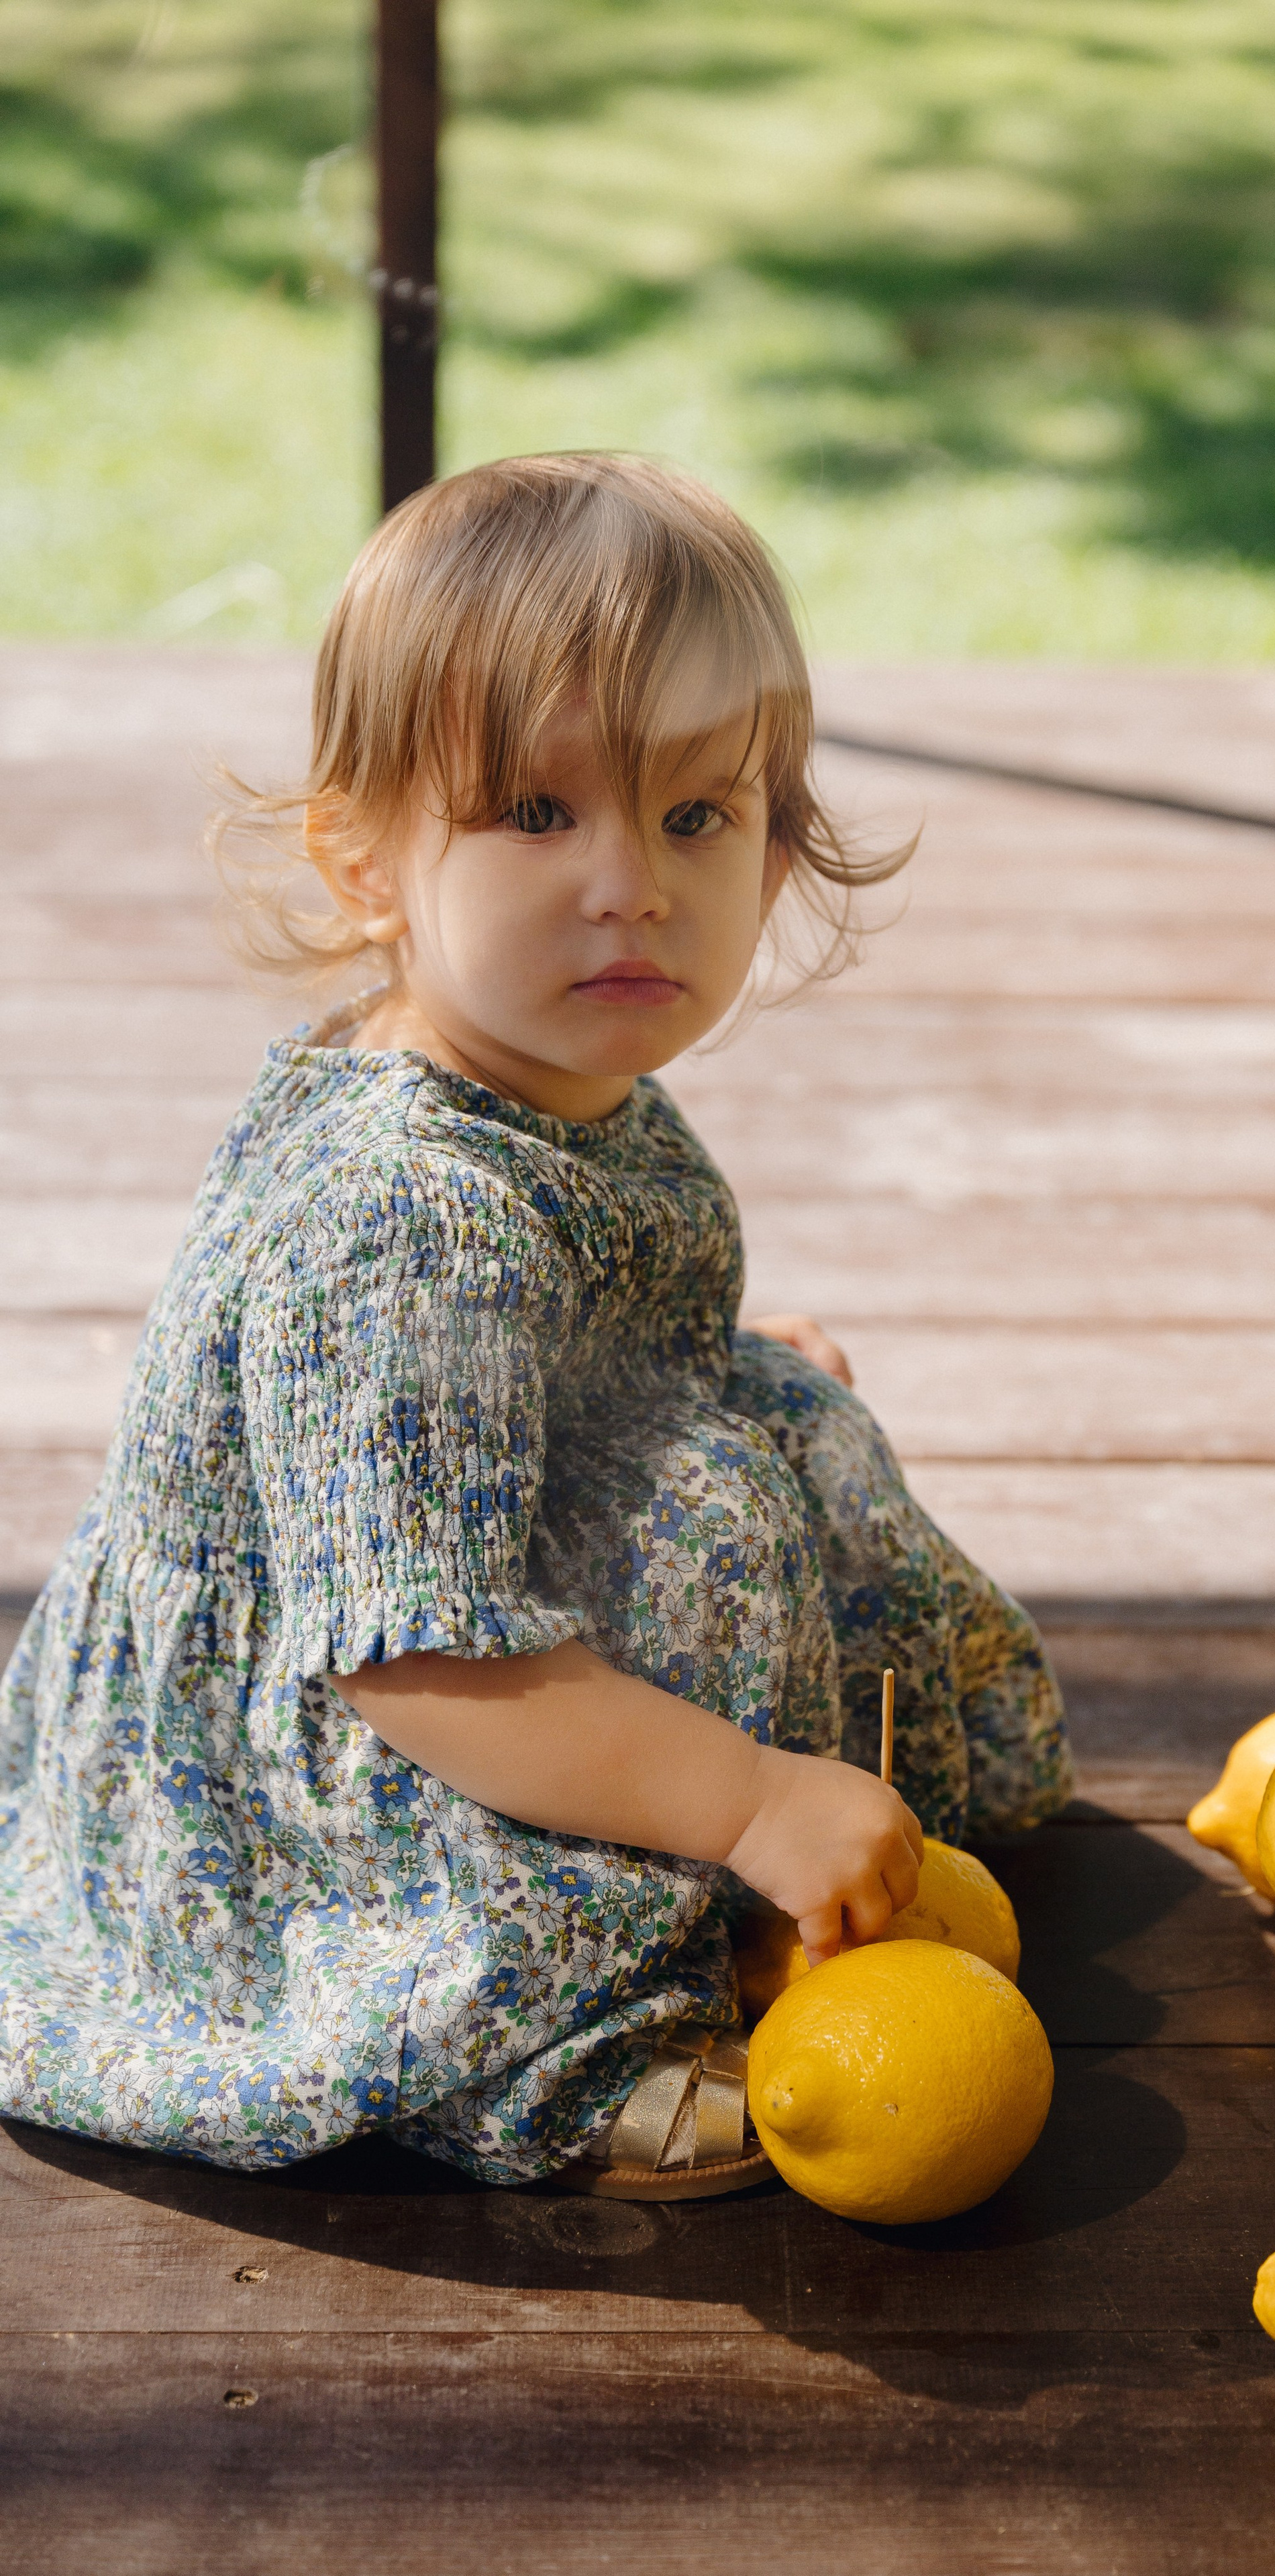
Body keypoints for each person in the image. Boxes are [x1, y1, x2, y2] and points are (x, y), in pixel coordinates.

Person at [0, 453, 1070, 2199]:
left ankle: (832, 1831)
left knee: (775, 1425)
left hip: (436, 1601)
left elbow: (541, 1319)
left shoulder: (538, 1062)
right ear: (366, 863)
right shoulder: (401, 1223)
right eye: (539, 815)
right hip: (345, 1753)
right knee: (709, 1524)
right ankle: (559, 2045)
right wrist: (740, 1800)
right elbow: (423, 1662)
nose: (631, 884)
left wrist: (667, 1364)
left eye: (695, 819)